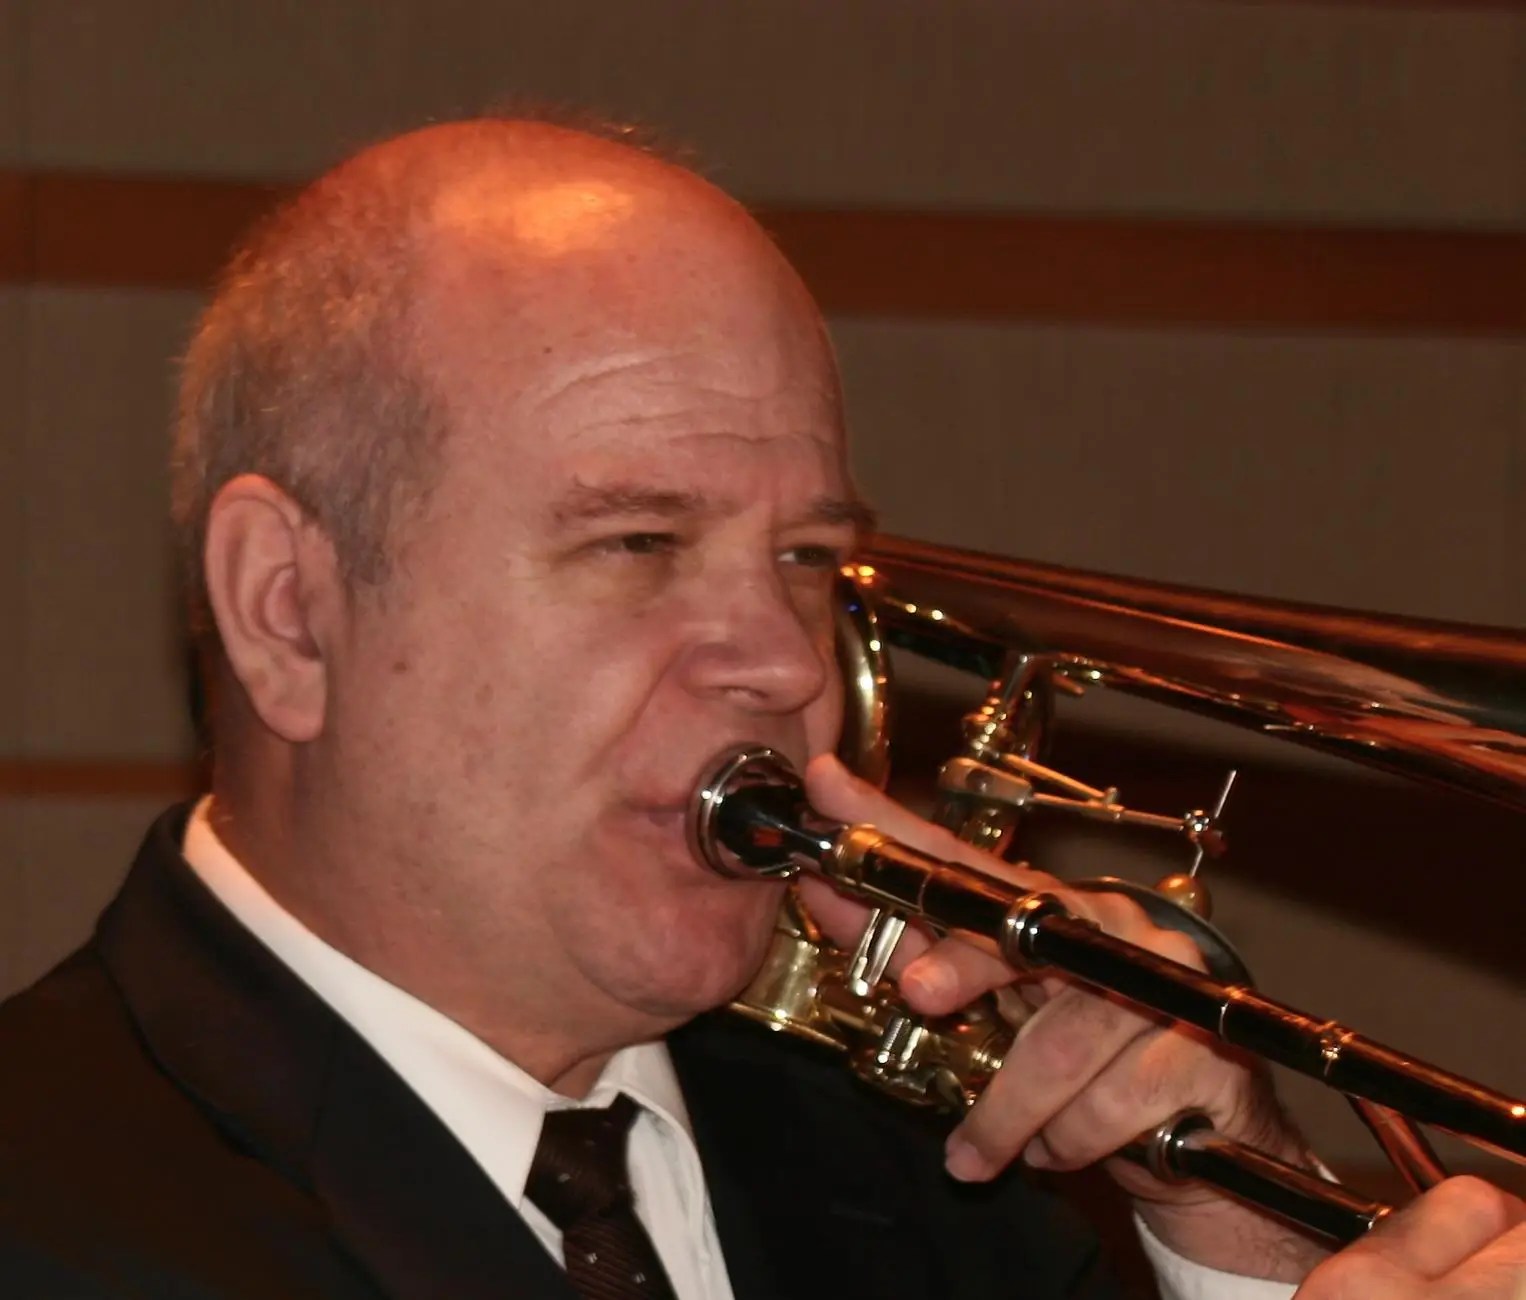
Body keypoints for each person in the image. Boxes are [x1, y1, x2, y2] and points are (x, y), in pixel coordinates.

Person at [0, 115, 1519, 1300]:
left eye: (806, 559)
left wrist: (1230, 1227)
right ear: (287, 608)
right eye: (637, 543)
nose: (790, 665)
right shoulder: (53, 1206)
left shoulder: (928, 1175)